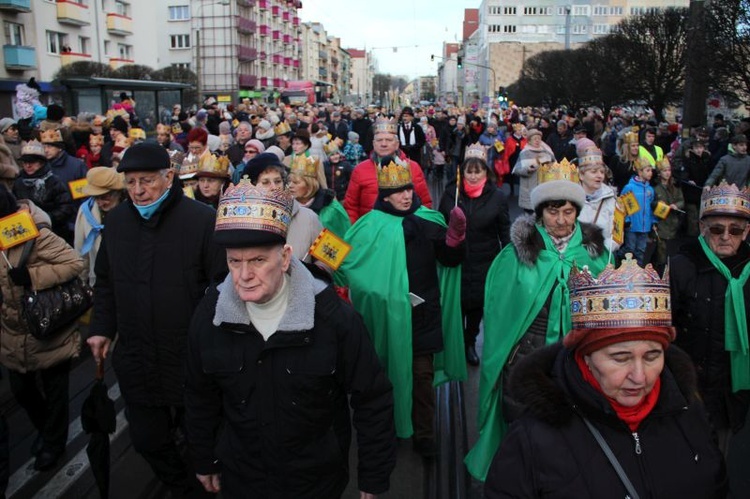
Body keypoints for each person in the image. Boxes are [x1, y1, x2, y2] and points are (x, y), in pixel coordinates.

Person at [184, 182, 396, 497]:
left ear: (284, 258)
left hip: (315, 482)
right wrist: (204, 457)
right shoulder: (210, 317)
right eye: (234, 261)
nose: (243, 275)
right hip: (243, 480)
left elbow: (372, 398)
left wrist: (373, 476)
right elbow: (199, 394)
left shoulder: (333, 319)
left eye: (257, 261)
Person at [484, 256, 727, 498]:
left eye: (652, 356)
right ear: (586, 356)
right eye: (620, 358)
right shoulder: (533, 438)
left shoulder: (689, 409)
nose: (640, 377)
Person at [86, 142, 226, 497]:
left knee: (200, 437)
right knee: (147, 438)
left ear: (169, 177)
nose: (137, 191)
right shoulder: (116, 222)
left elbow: (221, 285)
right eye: (130, 183)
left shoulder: (201, 221)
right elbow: (105, 281)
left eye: (146, 181)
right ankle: (178, 484)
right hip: (137, 354)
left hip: (189, 356)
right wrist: (102, 328)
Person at [465, 164, 609, 480]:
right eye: (553, 212)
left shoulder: (596, 256)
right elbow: (500, 311)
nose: (560, 221)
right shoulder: (515, 255)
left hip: (573, 359)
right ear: (541, 211)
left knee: (567, 427)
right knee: (522, 424)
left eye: (568, 212)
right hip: (525, 357)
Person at [342, 156, 466, 457]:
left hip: (422, 315)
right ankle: (387, 429)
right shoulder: (368, 225)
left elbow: (450, 261)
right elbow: (338, 259)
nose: (407, 195)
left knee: (422, 379)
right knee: (382, 377)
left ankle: (424, 434)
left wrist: (455, 238)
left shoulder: (428, 220)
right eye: (398, 191)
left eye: (408, 189)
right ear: (385, 196)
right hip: (382, 318)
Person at [0, 186, 84, 471]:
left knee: (56, 390)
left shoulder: (37, 235)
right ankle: (47, 430)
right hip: (12, 330)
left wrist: (33, 275)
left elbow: (75, 263)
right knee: (21, 389)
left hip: (49, 326)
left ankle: (54, 442)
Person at [671, 182, 750, 465]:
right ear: (703, 228)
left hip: (730, 396)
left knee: (717, 465)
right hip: (683, 392)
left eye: (736, 230)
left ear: (747, 232)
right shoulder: (680, 266)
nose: (726, 236)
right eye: (717, 229)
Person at [438, 145, 510, 366]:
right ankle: (456, 342)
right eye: (469, 171)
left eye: (478, 171)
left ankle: (470, 342)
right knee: (457, 303)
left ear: (485, 172)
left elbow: (504, 231)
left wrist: (509, 259)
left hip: (484, 260)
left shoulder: (497, 197)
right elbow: (440, 225)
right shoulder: (452, 193)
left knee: (476, 306)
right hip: (456, 260)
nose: (473, 175)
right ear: (462, 172)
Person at [344, 117, 432, 224]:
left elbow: (425, 203)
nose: (384, 144)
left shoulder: (412, 167)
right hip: (372, 231)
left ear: (397, 144)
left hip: (405, 232)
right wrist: (357, 232)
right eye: (379, 140)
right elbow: (351, 207)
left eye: (389, 140)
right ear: (374, 143)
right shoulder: (360, 170)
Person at [241, 153, 323, 263]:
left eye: (278, 181)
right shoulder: (242, 221)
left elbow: (330, 258)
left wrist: (312, 274)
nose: (274, 187)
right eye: (265, 182)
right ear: (252, 187)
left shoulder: (309, 218)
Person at [13, 140, 76, 244]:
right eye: (25, 162)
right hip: (26, 234)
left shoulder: (54, 181)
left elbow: (66, 208)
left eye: (32, 162)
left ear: (41, 162)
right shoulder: (18, 182)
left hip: (53, 233)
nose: (28, 165)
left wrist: (45, 218)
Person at [73, 167, 125, 286]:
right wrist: (82, 281)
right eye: (96, 197)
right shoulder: (86, 211)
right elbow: (81, 250)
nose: (100, 202)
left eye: (105, 197)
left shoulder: (132, 210)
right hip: (99, 280)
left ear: (117, 192)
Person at [288, 149, 350, 239]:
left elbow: (342, 242)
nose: (290, 186)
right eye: (289, 181)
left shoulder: (331, 210)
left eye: (296, 182)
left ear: (310, 186)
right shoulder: (285, 207)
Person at [578, 148, 620, 252]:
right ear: (581, 175)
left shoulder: (611, 200)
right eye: (594, 172)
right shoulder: (571, 199)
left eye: (602, 172)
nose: (599, 175)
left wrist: (599, 251)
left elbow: (617, 236)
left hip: (602, 258)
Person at [620, 158, 656, 267]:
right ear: (640, 172)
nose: (651, 173)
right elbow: (622, 205)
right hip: (632, 225)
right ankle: (623, 264)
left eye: (651, 170)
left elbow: (650, 207)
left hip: (645, 226)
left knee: (641, 250)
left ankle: (638, 270)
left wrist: (653, 222)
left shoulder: (650, 189)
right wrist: (626, 220)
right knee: (630, 248)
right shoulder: (629, 187)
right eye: (647, 170)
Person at [512, 129, 555, 213]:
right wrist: (527, 170)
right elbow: (516, 170)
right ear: (529, 140)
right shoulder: (524, 153)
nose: (537, 140)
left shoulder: (547, 151)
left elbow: (554, 164)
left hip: (544, 187)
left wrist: (550, 166)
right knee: (530, 217)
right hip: (529, 188)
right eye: (534, 138)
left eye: (539, 138)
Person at [653, 157, 684, 269]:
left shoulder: (675, 186)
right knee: (661, 252)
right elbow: (653, 205)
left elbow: (681, 200)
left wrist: (677, 206)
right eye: (664, 171)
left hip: (673, 222)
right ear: (659, 173)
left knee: (673, 251)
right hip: (661, 223)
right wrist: (659, 205)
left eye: (669, 170)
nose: (667, 173)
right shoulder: (656, 189)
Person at [609, 127, 640, 193]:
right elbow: (611, 177)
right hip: (620, 193)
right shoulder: (617, 160)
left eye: (637, 145)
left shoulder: (640, 161)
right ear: (627, 147)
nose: (636, 148)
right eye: (633, 146)